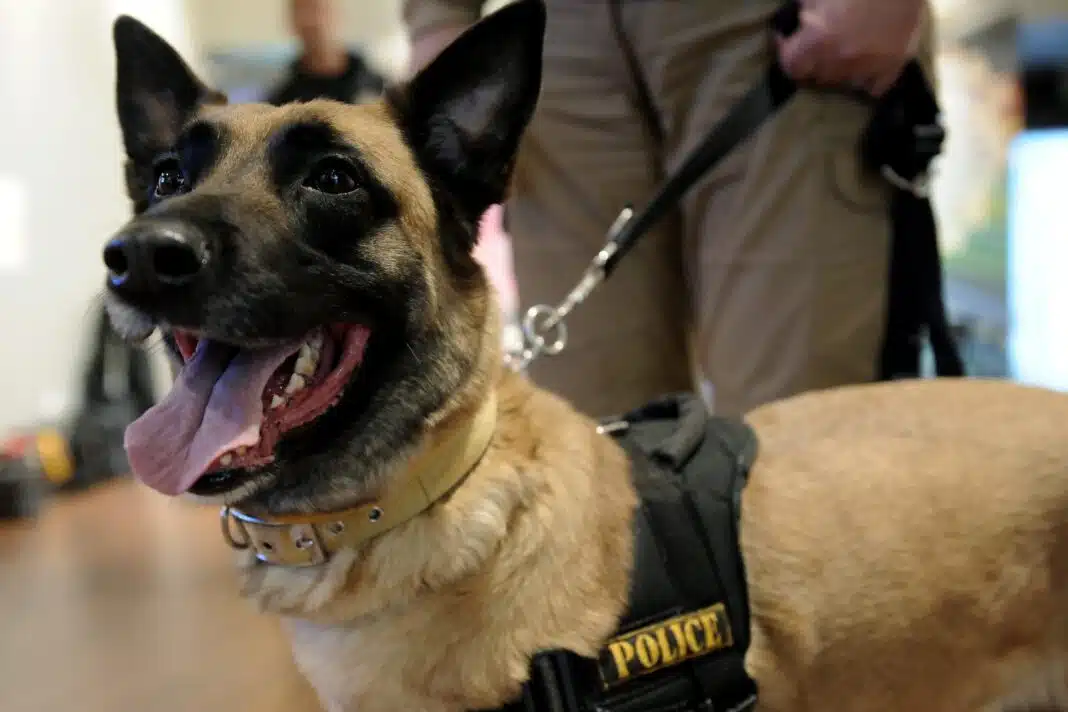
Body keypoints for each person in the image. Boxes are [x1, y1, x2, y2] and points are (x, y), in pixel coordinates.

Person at [402, 0, 932, 418]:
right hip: (564, 49)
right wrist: (437, 17)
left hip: (776, 37)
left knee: (797, 430)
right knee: (594, 435)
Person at [267, 0, 385, 106]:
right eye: (302, 10)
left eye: (319, 9)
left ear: (339, 14)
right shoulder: (279, 100)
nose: (312, 21)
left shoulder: (380, 90)